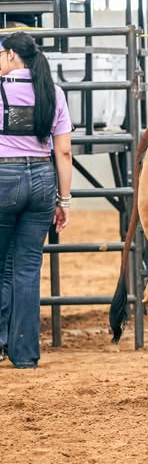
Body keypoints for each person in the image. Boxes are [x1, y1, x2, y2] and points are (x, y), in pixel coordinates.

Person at [0, 31, 72, 368]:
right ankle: (25, 354)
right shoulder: (52, 93)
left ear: (12, 55)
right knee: (27, 270)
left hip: (4, 177)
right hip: (43, 179)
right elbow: (65, 151)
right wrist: (65, 200)